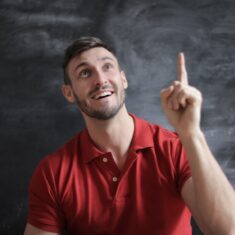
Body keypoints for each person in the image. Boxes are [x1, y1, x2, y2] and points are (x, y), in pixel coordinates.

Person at [24, 36, 235, 235]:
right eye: (85, 73)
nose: (100, 80)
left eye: (107, 67)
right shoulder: (52, 172)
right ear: (69, 93)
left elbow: (226, 230)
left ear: (123, 79)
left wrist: (192, 133)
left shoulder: (176, 147)